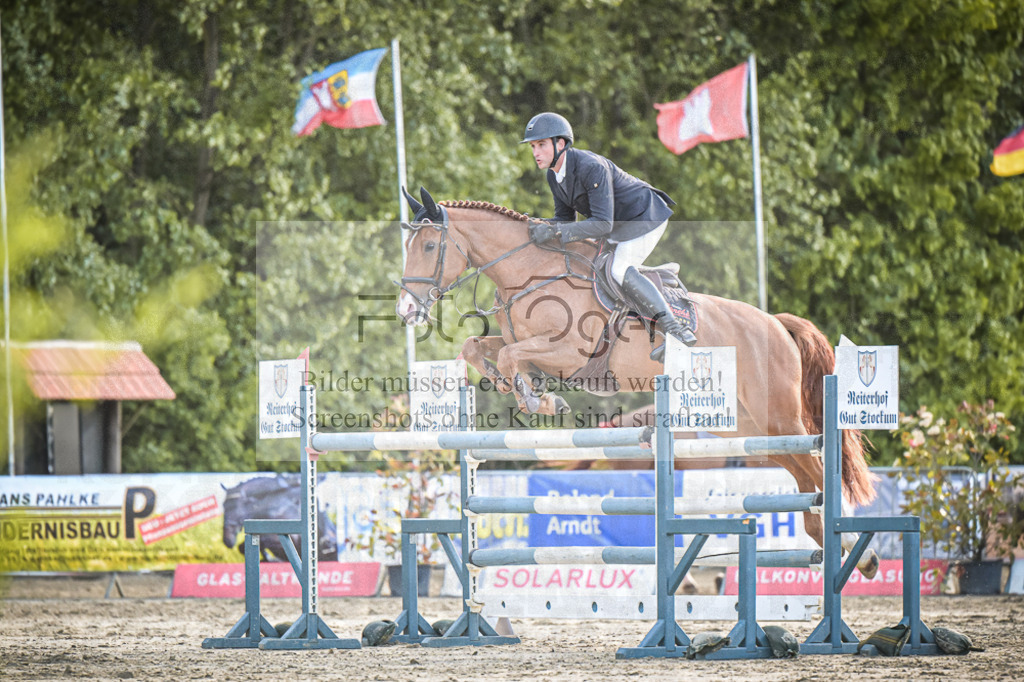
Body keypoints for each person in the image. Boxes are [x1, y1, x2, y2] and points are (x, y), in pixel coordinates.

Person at [521, 112, 696, 361]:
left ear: (560, 144)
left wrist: (556, 231)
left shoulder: (591, 167)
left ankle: (676, 330)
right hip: (618, 224)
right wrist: (535, 225)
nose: (535, 152)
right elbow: (565, 220)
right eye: (533, 146)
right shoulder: (554, 175)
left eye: (541, 145)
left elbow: (603, 224)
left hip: (644, 215)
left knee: (619, 269)